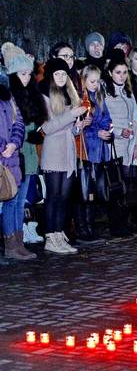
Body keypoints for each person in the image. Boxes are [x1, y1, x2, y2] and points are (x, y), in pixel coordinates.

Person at [39, 58, 87, 254]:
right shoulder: (45, 96)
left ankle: (59, 234)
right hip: (53, 151)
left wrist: (78, 126)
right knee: (53, 195)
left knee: (64, 197)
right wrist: (71, 115)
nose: (60, 77)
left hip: (68, 151)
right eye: (57, 74)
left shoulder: (70, 94)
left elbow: (70, 128)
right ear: (51, 76)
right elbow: (47, 128)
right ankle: (50, 236)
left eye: (64, 74)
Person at [7, 54, 46, 246]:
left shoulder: (32, 94)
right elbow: (9, 127)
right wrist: (27, 135)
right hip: (15, 154)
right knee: (13, 201)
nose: (27, 78)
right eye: (23, 74)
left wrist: (36, 133)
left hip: (29, 154)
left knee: (22, 199)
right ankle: (12, 241)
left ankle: (19, 239)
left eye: (29, 74)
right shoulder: (9, 97)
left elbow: (35, 121)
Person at [104, 49, 137, 236]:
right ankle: (116, 224)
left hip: (129, 145)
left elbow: (135, 119)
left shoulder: (129, 92)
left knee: (126, 185)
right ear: (110, 73)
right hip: (114, 146)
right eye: (118, 72)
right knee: (115, 186)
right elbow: (104, 120)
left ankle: (125, 221)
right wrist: (119, 132)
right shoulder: (106, 93)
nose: (121, 76)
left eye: (124, 72)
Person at [75, 65, 112, 242]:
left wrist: (106, 131)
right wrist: (96, 131)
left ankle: (90, 226)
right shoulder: (80, 100)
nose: (95, 85)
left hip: (99, 151)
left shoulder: (99, 98)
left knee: (94, 191)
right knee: (84, 190)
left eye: (97, 81)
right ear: (83, 80)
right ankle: (82, 228)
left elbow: (107, 119)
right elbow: (80, 128)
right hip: (85, 150)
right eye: (92, 81)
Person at [0, 80, 30, 259]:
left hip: (11, 157)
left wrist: (14, 143)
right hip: (3, 154)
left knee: (12, 199)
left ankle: (15, 244)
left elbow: (19, 122)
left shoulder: (8, 96)